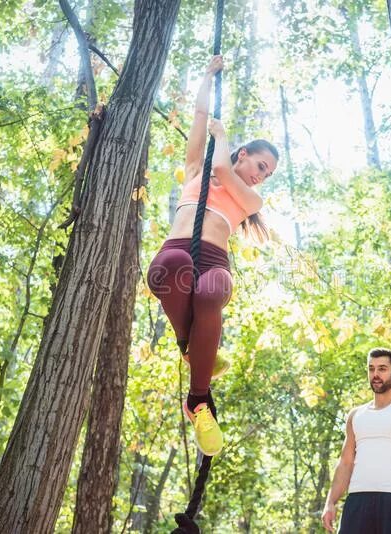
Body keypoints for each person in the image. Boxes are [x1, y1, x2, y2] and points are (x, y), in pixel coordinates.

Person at [147, 55, 279, 457]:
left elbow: (222, 166)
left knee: (212, 290)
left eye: (268, 172)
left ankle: (198, 400)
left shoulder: (250, 198)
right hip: (177, 252)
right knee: (171, 267)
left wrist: (223, 139)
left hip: (214, 260)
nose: (261, 175)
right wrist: (206, 75)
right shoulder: (193, 172)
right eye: (260, 164)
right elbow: (200, 117)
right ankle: (190, 344)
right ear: (246, 154)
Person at [321, 348, 391, 534]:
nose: (375, 374)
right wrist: (330, 502)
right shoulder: (355, 415)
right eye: (371, 369)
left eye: (382, 369)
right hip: (356, 501)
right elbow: (346, 462)